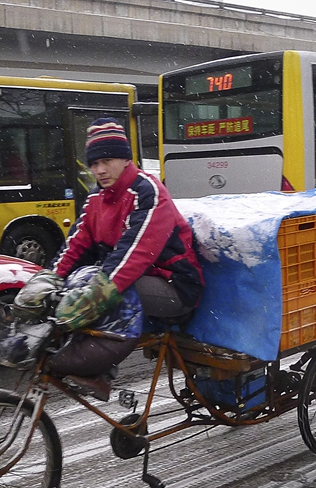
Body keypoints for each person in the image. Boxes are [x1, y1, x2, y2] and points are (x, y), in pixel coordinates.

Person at [40, 117, 205, 401]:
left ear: (126, 159)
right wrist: (50, 279)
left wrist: (95, 293)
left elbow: (135, 254)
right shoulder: (96, 198)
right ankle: (92, 366)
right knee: (79, 282)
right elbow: (76, 245)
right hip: (132, 277)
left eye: (107, 161)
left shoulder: (148, 192)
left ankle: (99, 369)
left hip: (175, 286)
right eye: (93, 164)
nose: (100, 170)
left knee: (114, 290)